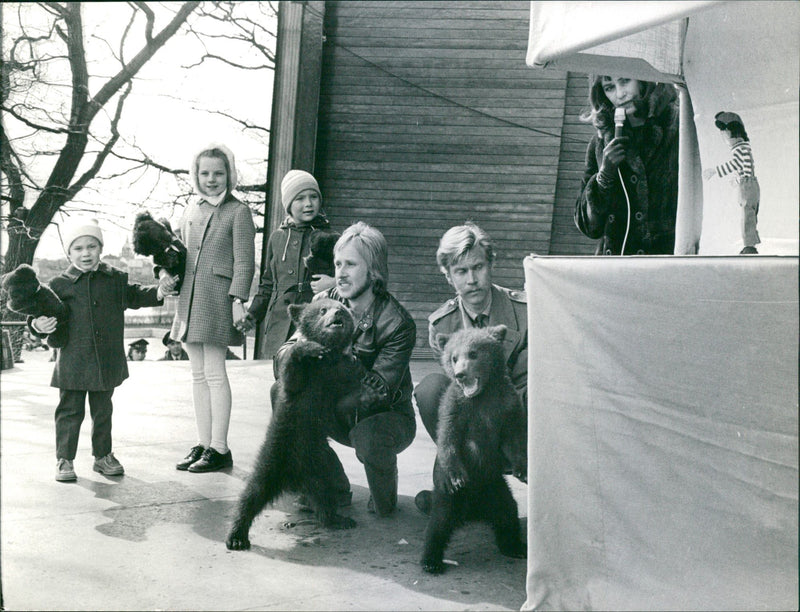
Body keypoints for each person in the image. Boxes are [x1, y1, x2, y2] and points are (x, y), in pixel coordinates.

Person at [274, 222, 417, 517]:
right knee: (282, 394)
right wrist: (300, 353)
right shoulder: (322, 302)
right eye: (338, 263)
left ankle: (384, 495)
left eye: (350, 264)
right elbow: (284, 357)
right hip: (336, 403)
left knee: (369, 440)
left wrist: (342, 357)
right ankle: (332, 486)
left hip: (385, 417)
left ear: (374, 269)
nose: (340, 272)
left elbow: (376, 393)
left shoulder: (398, 323)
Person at [29, 218, 166, 482]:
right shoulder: (59, 284)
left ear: (100, 248)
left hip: (106, 360)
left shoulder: (114, 279)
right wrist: (37, 324)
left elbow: (135, 295)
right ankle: (64, 460)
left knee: (103, 410)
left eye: (91, 246)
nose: (86, 253)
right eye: (78, 248)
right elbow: (40, 313)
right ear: (69, 253)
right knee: (69, 412)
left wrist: (160, 291)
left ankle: (102, 456)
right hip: (73, 360)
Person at [412, 223, 528, 514]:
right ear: (448, 276)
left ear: (492, 264)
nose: (472, 280)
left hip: (516, 421)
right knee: (430, 389)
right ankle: (465, 477)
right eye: (461, 272)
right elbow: (455, 393)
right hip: (470, 427)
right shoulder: (442, 324)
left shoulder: (526, 312)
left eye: (478, 267)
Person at [162, 143, 256, 473]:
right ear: (196, 175)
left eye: (219, 173)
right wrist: (164, 273)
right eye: (205, 173)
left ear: (229, 174)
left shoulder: (238, 211)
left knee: (215, 374)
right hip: (189, 301)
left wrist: (237, 302)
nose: (211, 179)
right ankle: (203, 443)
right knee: (197, 376)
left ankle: (220, 447)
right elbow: (175, 252)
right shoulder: (191, 209)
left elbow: (245, 263)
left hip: (217, 301)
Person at [237, 169, 336, 359]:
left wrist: (332, 283)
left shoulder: (329, 237)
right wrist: (252, 315)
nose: (308, 204)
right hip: (278, 323)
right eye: (300, 198)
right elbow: (267, 284)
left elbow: (349, 276)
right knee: (279, 376)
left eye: (313, 196)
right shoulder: (277, 238)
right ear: (288, 204)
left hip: (313, 320)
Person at [575, 75, 680, 255]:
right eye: (609, 88)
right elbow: (588, 227)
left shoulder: (677, 127)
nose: (620, 94)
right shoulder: (600, 142)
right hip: (615, 263)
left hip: (664, 260)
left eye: (624, 81)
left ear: (642, 80)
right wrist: (604, 177)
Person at [703, 111, 761, 254]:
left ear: (732, 131)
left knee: (747, 215)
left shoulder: (739, 148)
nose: (724, 137)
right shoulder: (745, 146)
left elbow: (736, 164)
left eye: (724, 132)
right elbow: (746, 167)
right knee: (750, 215)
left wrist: (715, 171)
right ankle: (751, 244)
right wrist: (738, 180)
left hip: (747, 185)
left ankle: (750, 246)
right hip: (751, 184)